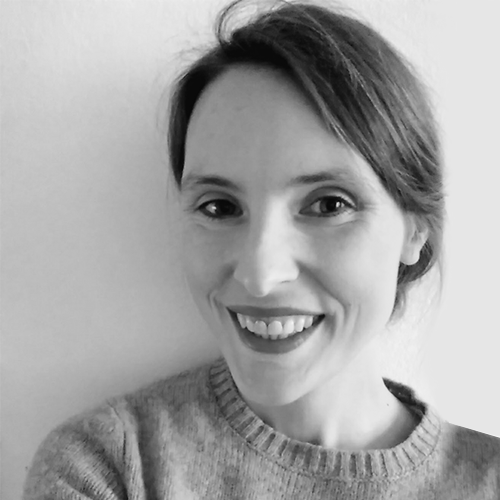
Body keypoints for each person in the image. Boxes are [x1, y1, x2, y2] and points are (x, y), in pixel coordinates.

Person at [23, 1, 500, 499]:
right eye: (219, 207)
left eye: (329, 204)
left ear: (415, 230)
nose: (259, 275)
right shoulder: (110, 465)